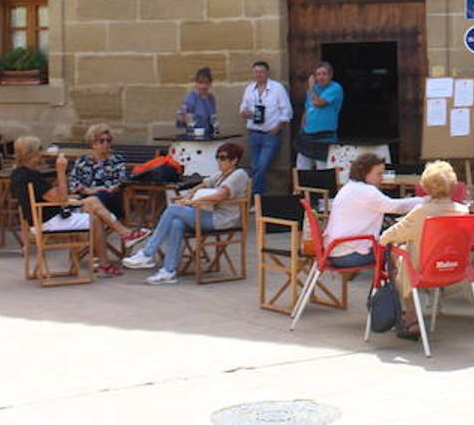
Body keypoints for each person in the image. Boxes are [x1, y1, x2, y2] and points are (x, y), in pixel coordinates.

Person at [10, 135, 145, 277]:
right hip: (48, 220)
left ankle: (125, 235)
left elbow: (53, 196)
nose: (42, 153)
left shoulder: (17, 174)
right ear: (31, 154)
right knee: (94, 220)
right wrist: (61, 171)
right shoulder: (31, 176)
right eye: (39, 150)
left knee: (92, 201)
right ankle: (106, 261)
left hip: (40, 217)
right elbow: (61, 198)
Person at [123, 142, 251, 284]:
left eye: (223, 158)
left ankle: (147, 253)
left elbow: (221, 195)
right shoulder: (221, 175)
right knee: (177, 223)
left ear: (234, 160)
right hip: (208, 215)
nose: (219, 161)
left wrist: (195, 202)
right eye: (217, 157)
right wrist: (188, 195)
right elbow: (204, 184)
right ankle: (168, 271)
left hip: (222, 220)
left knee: (173, 209)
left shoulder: (239, 174)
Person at [379, 160, 470, 339]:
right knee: (406, 255)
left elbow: (386, 237)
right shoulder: (463, 211)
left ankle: (411, 316)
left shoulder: (421, 212)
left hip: (423, 271)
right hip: (454, 269)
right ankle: (413, 315)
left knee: (400, 260)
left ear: (426, 186)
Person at [322, 151, 423, 269]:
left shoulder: (350, 187)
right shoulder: (367, 191)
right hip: (348, 254)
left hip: (335, 250)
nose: (382, 178)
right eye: (378, 174)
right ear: (365, 173)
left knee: (392, 241)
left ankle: (389, 284)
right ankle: (400, 286)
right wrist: (425, 200)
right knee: (404, 251)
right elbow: (396, 207)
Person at [241, 60, 293, 194]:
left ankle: (253, 196)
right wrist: (245, 112)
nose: (259, 74)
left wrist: (278, 127)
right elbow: (243, 107)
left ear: (267, 73)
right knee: (255, 167)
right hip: (254, 133)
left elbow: (287, 111)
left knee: (261, 167)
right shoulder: (249, 88)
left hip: (270, 134)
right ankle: (261, 199)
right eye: (256, 72)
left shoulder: (277, 88)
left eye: (262, 72)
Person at [69, 124, 131, 219]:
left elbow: (122, 182)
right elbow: (73, 183)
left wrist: (110, 188)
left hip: (109, 199)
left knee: (100, 197)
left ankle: (84, 214)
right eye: (101, 141)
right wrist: (88, 190)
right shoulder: (82, 161)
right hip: (86, 198)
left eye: (108, 140)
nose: (106, 144)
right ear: (93, 144)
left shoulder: (117, 160)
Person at [297, 61, 343, 170]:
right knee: (302, 168)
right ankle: (303, 188)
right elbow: (307, 109)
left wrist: (311, 87)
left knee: (323, 168)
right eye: (318, 74)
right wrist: (301, 129)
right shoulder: (312, 90)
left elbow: (318, 103)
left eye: (324, 74)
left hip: (325, 136)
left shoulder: (335, 88)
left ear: (330, 75)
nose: (321, 77)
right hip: (307, 135)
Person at [176, 67, 217, 135]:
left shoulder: (211, 98)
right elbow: (182, 118)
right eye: (200, 83)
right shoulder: (191, 97)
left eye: (206, 83)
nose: (203, 86)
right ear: (196, 83)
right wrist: (182, 117)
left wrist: (215, 130)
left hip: (209, 135)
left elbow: (213, 118)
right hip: (194, 135)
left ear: (210, 84)